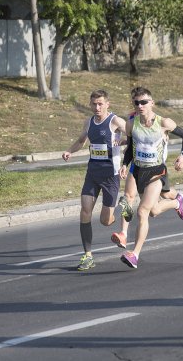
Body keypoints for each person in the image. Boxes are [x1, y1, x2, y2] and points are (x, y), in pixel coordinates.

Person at [118, 87, 183, 268]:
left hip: (157, 171)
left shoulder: (163, 122)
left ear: (151, 103)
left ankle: (134, 254)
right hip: (139, 172)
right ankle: (178, 201)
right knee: (154, 211)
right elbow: (130, 149)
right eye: (137, 103)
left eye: (144, 102)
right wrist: (124, 165)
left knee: (142, 212)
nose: (140, 106)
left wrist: (182, 156)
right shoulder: (131, 124)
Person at [62, 89, 127, 271]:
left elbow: (134, 137)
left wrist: (122, 143)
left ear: (107, 104)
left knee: (105, 221)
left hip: (110, 176)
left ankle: (122, 205)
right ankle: (88, 255)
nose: (97, 107)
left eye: (100, 104)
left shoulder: (115, 121)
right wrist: (69, 151)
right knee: (85, 211)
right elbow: (81, 141)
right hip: (92, 174)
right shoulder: (89, 122)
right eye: (94, 104)